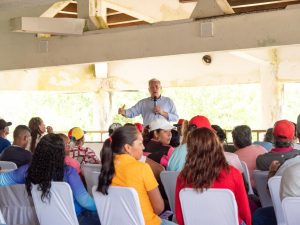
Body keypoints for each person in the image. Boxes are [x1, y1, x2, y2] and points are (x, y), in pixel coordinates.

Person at [0, 134, 100, 225]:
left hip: (45, 220)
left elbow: (2, 180)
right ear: (60, 152)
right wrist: (102, 207)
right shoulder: (69, 172)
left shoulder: (27, 170)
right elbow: (85, 201)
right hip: (76, 219)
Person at [97, 126, 176, 225]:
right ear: (128, 148)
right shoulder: (142, 168)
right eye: (140, 143)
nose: (143, 147)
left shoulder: (106, 169)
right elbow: (159, 208)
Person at [175, 128, 251, 225]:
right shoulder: (233, 174)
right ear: (217, 146)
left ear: (190, 149)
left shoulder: (182, 177)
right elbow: (245, 212)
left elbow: (180, 216)